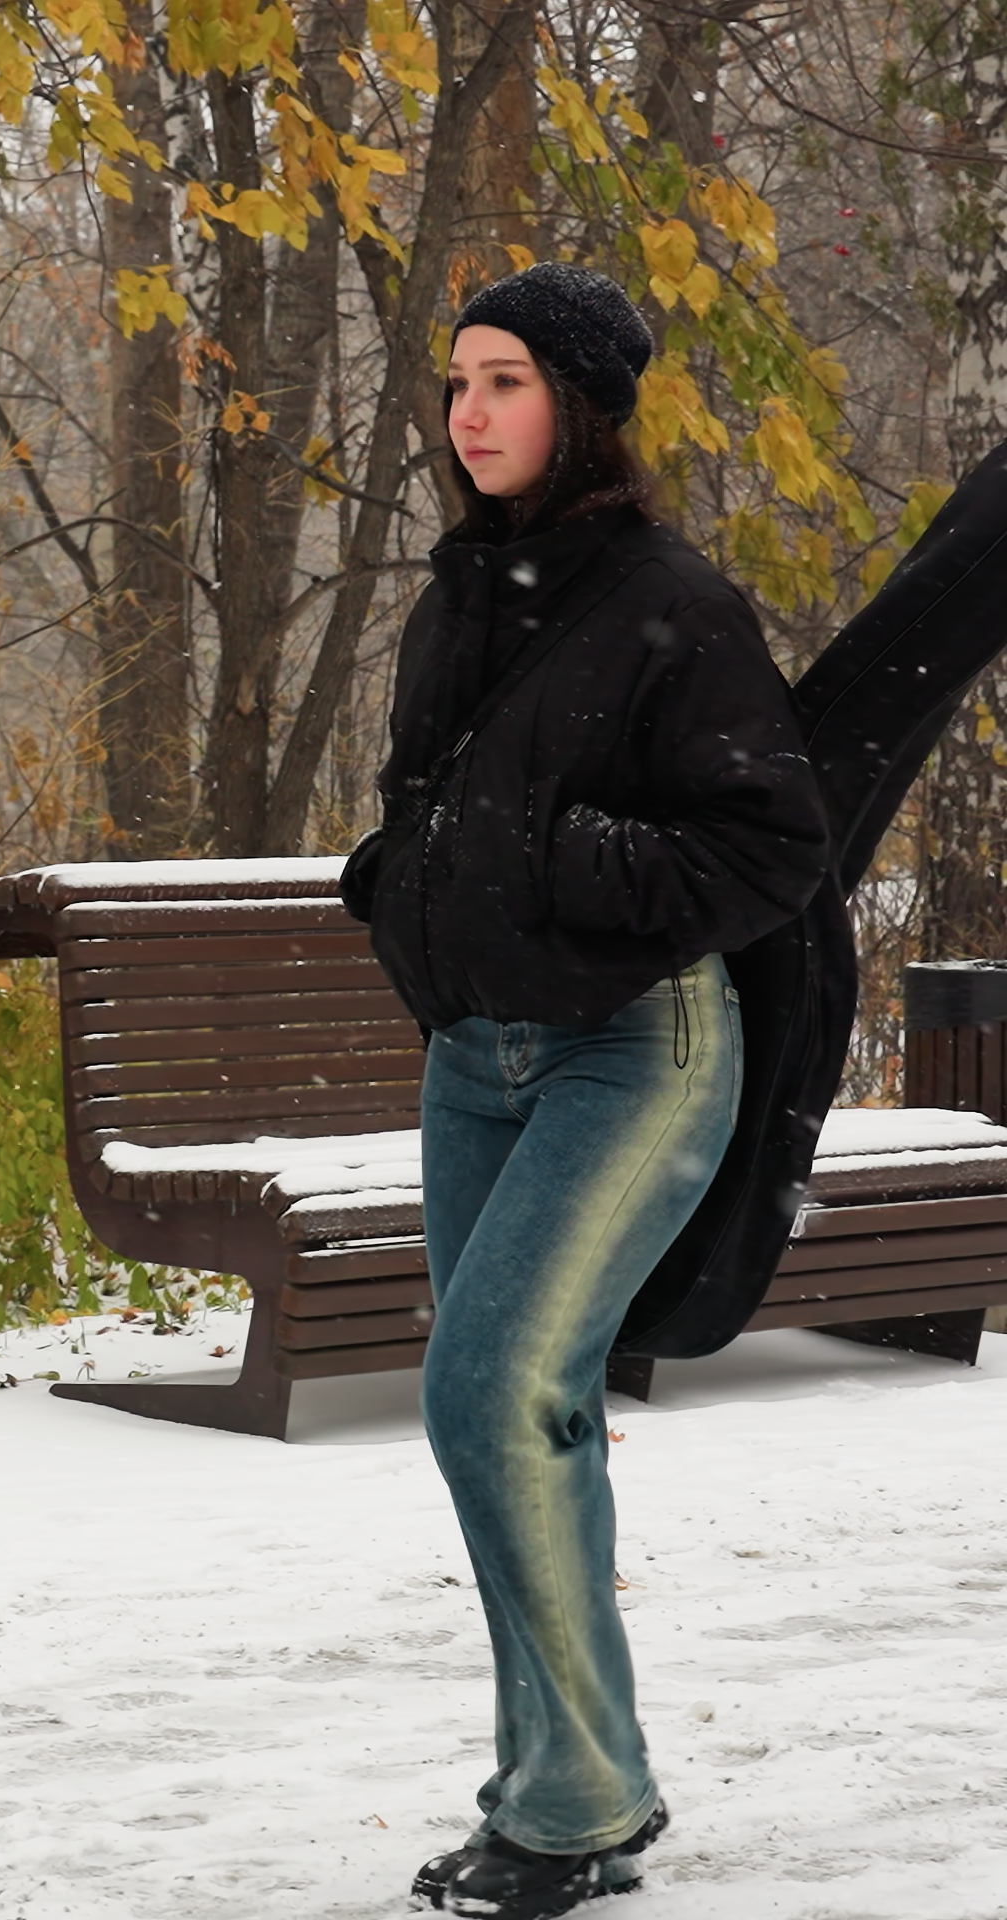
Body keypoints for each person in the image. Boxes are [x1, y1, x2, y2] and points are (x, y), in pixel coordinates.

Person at [339, 262, 830, 1920]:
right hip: (474, 1058)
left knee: (487, 1394)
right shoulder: (459, 594)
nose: (468, 411)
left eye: (507, 380)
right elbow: (437, 802)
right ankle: (574, 1789)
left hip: (633, 1048)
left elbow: (772, 848)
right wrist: (399, 881)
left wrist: (545, 860)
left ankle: (574, 1804)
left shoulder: (673, 604)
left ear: (584, 405)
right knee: (521, 1428)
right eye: (459, 380)